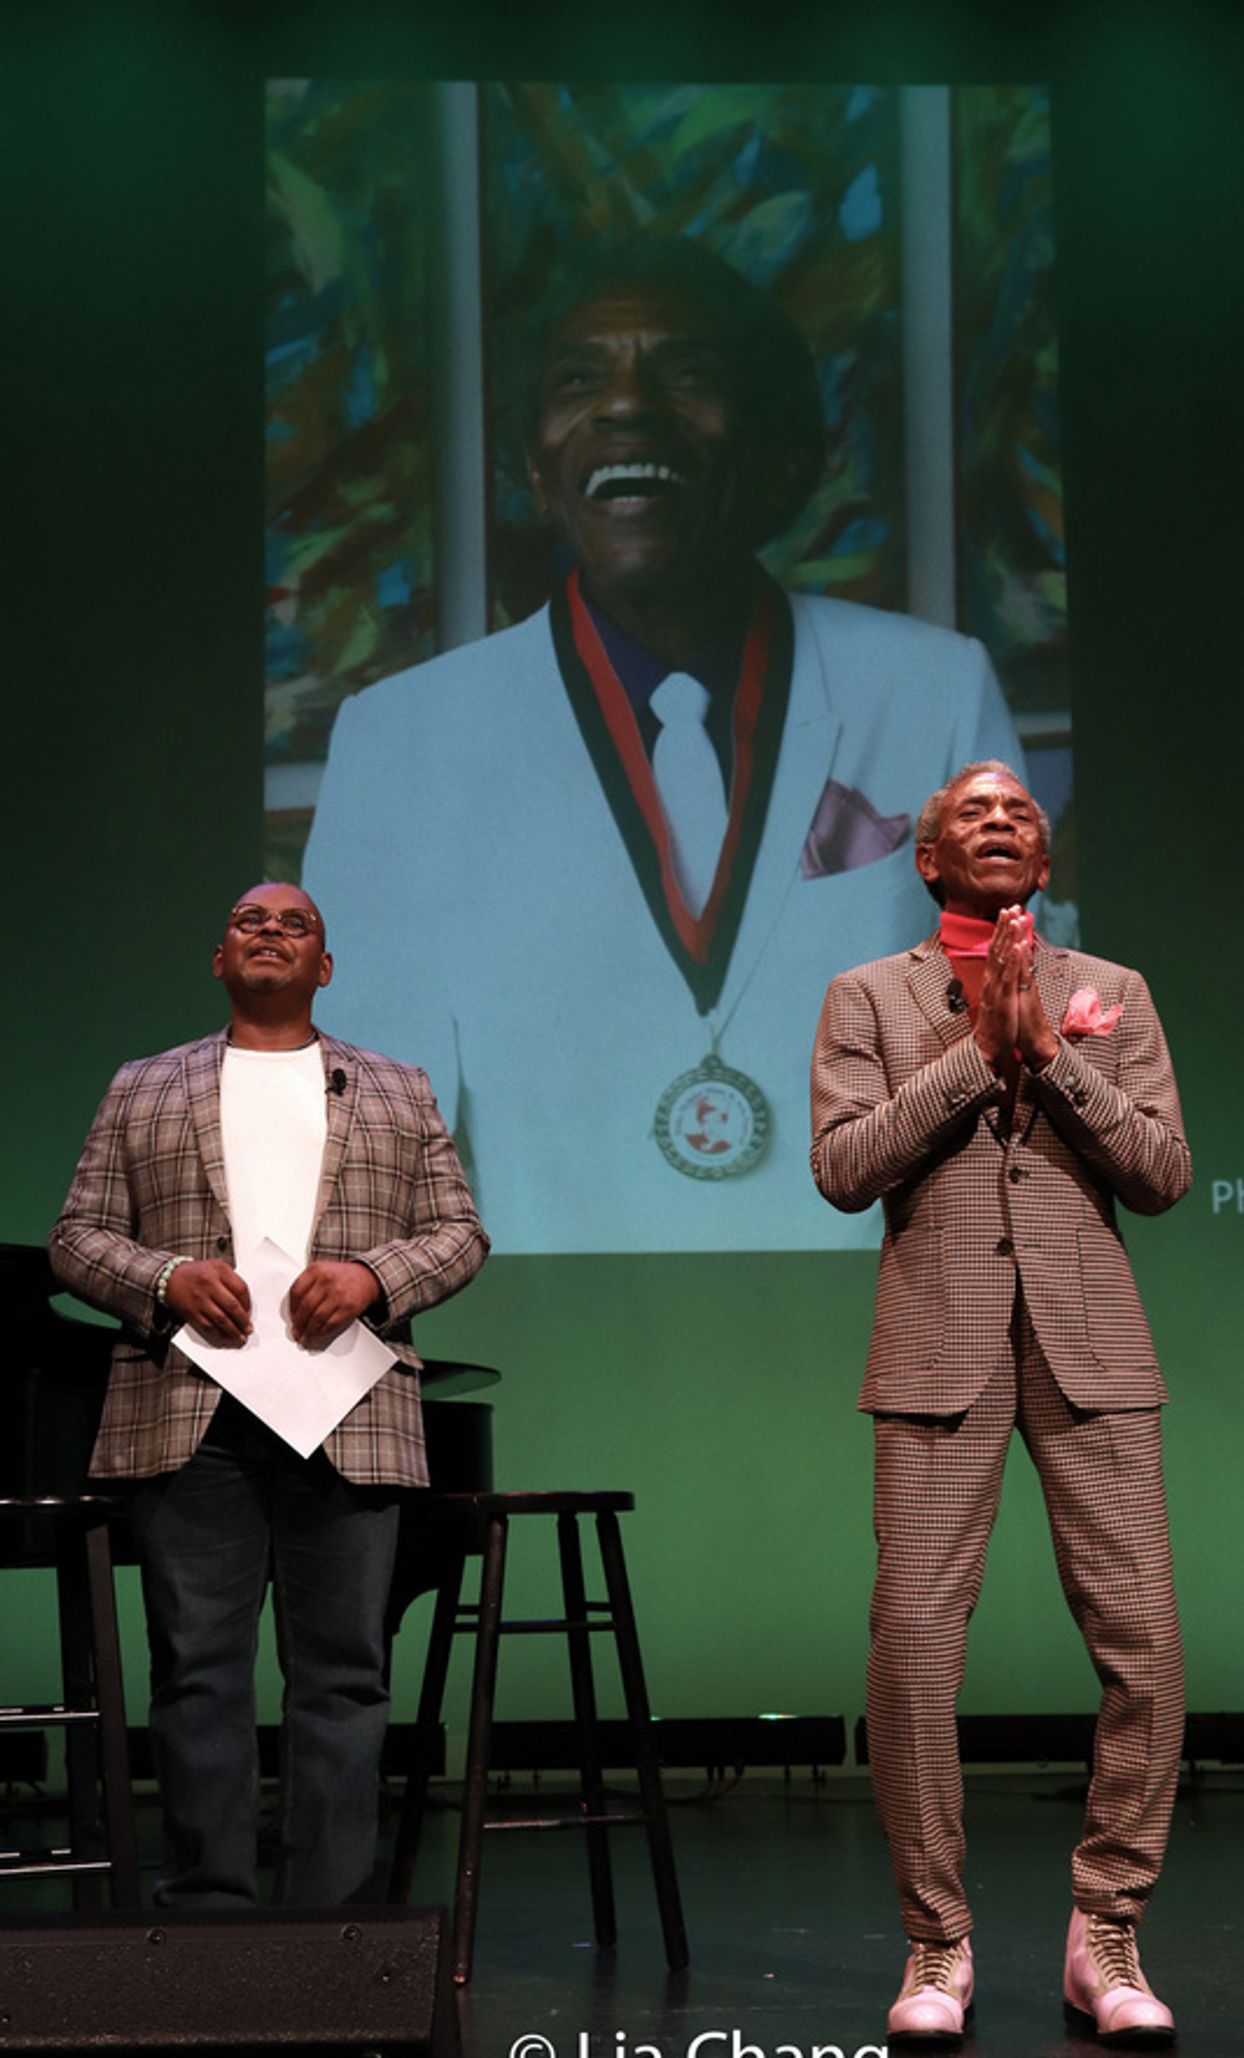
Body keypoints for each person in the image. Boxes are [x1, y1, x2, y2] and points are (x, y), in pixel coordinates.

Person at [303, 233, 1024, 1254]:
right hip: (544, 1336)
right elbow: (362, 1140)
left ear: (775, 446)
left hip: (873, 1310)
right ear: (534, 463)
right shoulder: (401, 737)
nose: (625, 405)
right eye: (577, 378)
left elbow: (1006, 1048)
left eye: (684, 372)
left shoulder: (935, 689)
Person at [810, 762, 1189, 2047]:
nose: (998, 823)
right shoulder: (867, 996)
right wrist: (979, 1054)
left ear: (1041, 852)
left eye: (1019, 811)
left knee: (1143, 1641)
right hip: (936, 1348)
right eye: (971, 812)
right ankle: (936, 1944)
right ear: (926, 860)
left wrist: (1055, 1059)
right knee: (913, 1646)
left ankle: (1107, 1930)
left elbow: (1160, 1173)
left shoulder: (1114, 994)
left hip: (1092, 1347)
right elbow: (843, 1168)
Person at [49, 882, 489, 1906]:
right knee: (198, 1671)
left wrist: (374, 1277)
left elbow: (459, 1232)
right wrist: (165, 1280)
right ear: (218, 958)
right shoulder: (144, 1085)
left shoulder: (393, 1086)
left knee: (343, 1671)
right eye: (250, 920)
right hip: (187, 1409)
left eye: (297, 925)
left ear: (324, 969)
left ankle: (327, 1922)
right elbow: (75, 1236)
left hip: (346, 1410)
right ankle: (209, 1912)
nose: (271, 932)